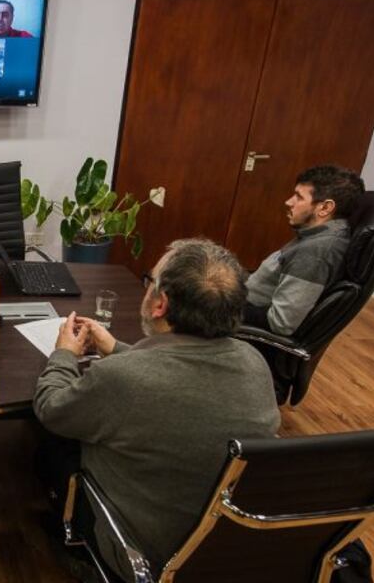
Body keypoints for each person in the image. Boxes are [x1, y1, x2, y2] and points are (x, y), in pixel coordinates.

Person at [34, 239, 280, 580]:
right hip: (224, 544)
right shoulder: (255, 364)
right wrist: (117, 348)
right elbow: (178, 375)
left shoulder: (122, 380)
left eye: (149, 281)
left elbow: (50, 408)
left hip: (143, 551)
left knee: (48, 438)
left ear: (160, 304)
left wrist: (63, 354)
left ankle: (80, 549)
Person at [244, 164, 364, 335]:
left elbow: (281, 322)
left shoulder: (315, 253)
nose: (289, 202)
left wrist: (219, 308)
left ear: (325, 208)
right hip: (242, 299)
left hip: (238, 318)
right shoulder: (322, 235)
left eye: (299, 197)